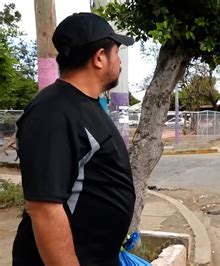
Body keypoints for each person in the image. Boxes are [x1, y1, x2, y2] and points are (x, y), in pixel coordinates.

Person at [12, 13, 136, 265]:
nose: (119, 61)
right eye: (117, 52)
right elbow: (44, 208)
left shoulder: (85, 105)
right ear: (99, 57)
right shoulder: (53, 111)